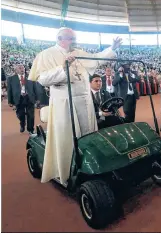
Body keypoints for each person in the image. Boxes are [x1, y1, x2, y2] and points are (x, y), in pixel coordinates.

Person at [28, 27, 122, 185]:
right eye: (70, 39)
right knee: (69, 139)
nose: (73, 42)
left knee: (89, 136)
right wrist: (64, 67)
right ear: (60, 38)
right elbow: (43, 79)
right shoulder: (46, 54)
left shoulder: (78, 52)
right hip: (65, 104)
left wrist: (112, 49)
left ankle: (91, 165)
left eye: (74, 39)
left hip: (85, 101)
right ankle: (67, 172)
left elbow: (96, 59)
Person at [7, 64, 37, 134]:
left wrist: (37, 98)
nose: (21, 69)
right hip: (19, 98)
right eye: (19, 68)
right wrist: (10, 101)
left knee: (31, 115)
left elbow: (35, 88)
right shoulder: (11, 79)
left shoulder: (30, 76)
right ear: (16, 70)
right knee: (20, 115)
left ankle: (31, 129)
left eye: (22, 67)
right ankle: (22, 125)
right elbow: (9, 91)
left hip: (29, 97)